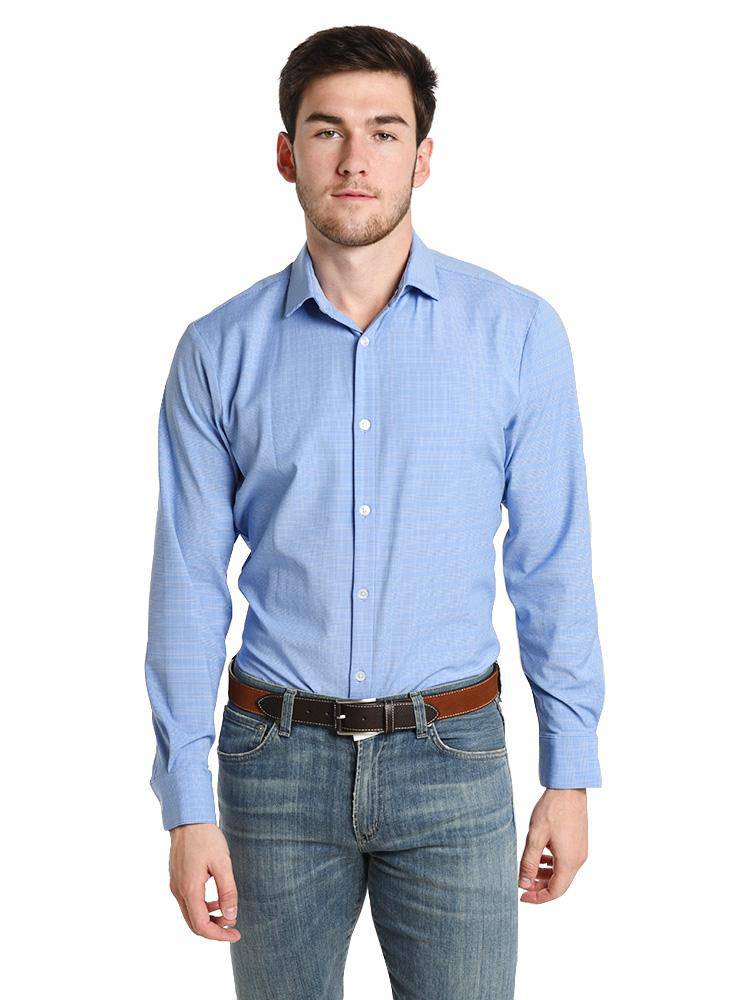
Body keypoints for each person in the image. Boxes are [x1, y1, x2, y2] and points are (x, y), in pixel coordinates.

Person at [144, 23, 605, 1000]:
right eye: (328, 130)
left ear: (423, 157)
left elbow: (551, 564)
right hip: (272, 765)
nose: (356, 159)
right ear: (287, 154)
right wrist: (186, 802)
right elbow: (187, 583)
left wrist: (569, 773)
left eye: (385, 132)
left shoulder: (517, 334)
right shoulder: (217, 352)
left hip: (454, 760)